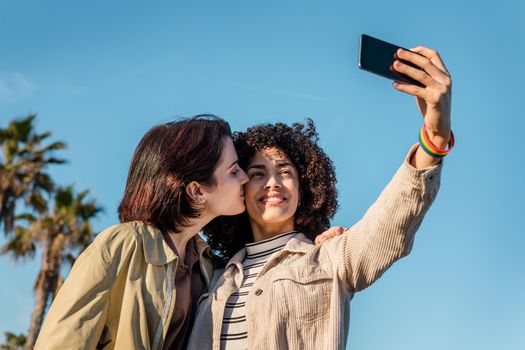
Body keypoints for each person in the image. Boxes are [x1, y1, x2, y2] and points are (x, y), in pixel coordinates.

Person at [187, 46, 453, 349]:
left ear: (305, 190)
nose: (272, 183)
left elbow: (391, 221)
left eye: (285, 172)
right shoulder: (211, 277)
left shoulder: (331, 258)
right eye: (258, 173)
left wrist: (434, 139)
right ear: (241, 188)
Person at [34, 115, 250, 350]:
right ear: (197, 191)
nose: (245, 177)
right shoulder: (120, 245)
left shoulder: (208, 264)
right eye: (233, 170)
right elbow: (61, 343)